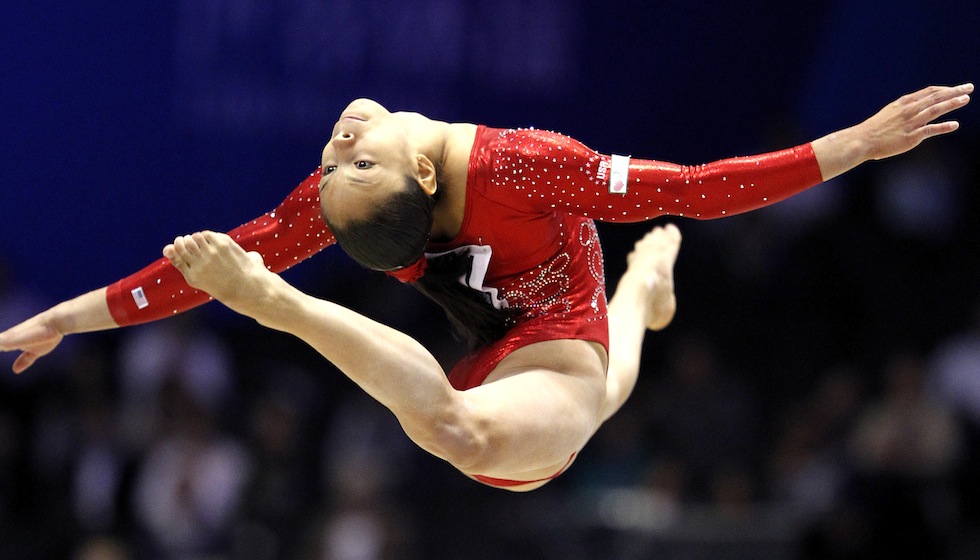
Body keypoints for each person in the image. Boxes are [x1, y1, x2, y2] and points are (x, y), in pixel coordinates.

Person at [0, 83, 972, 491]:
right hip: (501, 362)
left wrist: (855, 143)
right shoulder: (349, 200)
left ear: (427, 178)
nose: (337, 147)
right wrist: (63, 319)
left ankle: (630, 302)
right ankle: (637, 302)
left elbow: (690, 188)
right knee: (540, 408)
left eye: (346, 162)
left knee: (479, 425)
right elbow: (183, 275)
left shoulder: (527, 165)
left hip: (551, 360)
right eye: (343, 164)